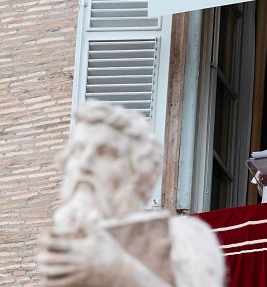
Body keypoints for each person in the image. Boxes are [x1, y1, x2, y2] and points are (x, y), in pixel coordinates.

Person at [37, 101, 225, 287]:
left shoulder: (182, 236)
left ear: (139, 172)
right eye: (77, 151)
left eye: (106, 153)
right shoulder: (66, 243)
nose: (84, 164)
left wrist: (117, 270)